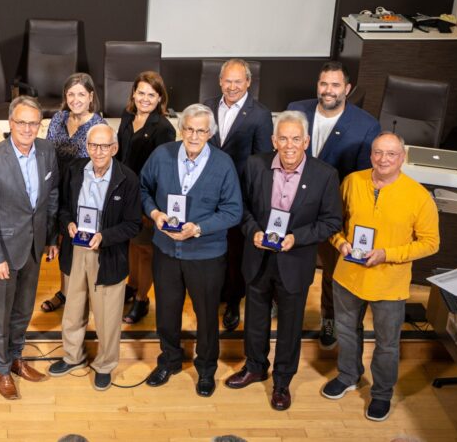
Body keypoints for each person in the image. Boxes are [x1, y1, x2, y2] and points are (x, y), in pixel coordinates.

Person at [225, 111, 342, 411]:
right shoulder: (255, 165)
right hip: (258, 256)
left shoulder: (325, 174)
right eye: (283, 139)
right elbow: (241, 207)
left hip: (295, 260)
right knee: (255, 318)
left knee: (290, 326)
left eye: (296, 139)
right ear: (274, 140)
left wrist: (296, 238)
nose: (289, 146)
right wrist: (253, 231)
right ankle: (255, 367)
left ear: (306, 141)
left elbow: (331, 222)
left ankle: (282, 381)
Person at [321, 132, 439, 422]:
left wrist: (387, 254)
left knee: (387, 343)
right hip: (348, 276)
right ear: (370, 154)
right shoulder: (352, 182)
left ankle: (382, 393)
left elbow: (430, 243)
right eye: (378, 152)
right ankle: (348, 375)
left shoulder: (419, 196)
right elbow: (334, 222)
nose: (383, 159)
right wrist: (340, 243)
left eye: (391, 154)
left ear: (403, 158)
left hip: (389, 283)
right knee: (346, 330)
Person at [139, 103, 242, 397]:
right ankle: (169, 361)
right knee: (166, 311)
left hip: (206, 254)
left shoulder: (223, 164)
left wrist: (197, 228)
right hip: (166, 251)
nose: (194, 136)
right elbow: (143, 190)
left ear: (210, 134)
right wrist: (155, 213)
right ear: (181, 129)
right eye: (189, 129)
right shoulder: (162, 155)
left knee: (207, 316)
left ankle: (206, 370)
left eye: (201, 131)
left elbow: (233, 211)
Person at [287, 61, 380, 348]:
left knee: (332, 269)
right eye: (324, 83)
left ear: (347, 89)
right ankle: (283, 303)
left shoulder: (366, 125)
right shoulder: (296, 109)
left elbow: (363, 178)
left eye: (335, 85)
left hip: (333, 210)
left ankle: (329, 318)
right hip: (293, 205)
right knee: (287, 260)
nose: (328, 90)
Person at [0, 96, 60, 400]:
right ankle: (1, 369)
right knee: (1, 314)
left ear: (40, 125)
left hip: (34, 246)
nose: (27, 129)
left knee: (23, 309)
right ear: (11, 123)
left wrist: (51, 238)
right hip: (4, 252)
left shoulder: (47, 151)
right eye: (21, 122)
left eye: (33, 123)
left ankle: (15, 358)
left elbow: (52, 196)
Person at [49, 123, 141, 391]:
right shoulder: (75, 170)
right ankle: (72, 356)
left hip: (107, 253)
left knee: (107, 317)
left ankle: (105, 365)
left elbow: (133, 224)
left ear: (114, 148)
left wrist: (105, 236)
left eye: (104, 146)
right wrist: (68, 223)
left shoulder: (127, 179)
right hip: (76, 249)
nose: (98, 151)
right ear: (86, 147)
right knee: (73, 308)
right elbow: (63, 208)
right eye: (93, 145)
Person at [202, 59, 273, 332]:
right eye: (228, 81)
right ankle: (215, 292)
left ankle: (233, 300)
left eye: (238, 81)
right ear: (220, 81)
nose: (232, 87)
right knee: (210, 246)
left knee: (235, 251)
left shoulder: (260, 115)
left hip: (239, 195)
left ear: (248, 83)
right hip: (208, 192)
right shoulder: (207, 106)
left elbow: (263, 162)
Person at [41, 73, 105, 314]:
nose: (75, 99)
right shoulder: (58, 118)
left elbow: (102, 166)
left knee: (79, 245)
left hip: (83, 195)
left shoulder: (98, 125)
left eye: (81, 94)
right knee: (61, 244)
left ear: (91, 96)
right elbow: (47, 152)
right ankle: (64, 291)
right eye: (71, 94)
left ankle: (83, 297)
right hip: (56, 189)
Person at [116, 71, 176, 324]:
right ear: (133, 93)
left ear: (160, 98)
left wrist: (150, 206)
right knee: (131, 244)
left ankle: (142, 299)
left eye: (151, 94)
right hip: (123, 194)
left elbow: (163, 172)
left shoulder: (164, 128)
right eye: (141, 92)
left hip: (146, 197)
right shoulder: (127, 115)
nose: (145, 98)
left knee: (145, 250)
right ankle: (131, 285)